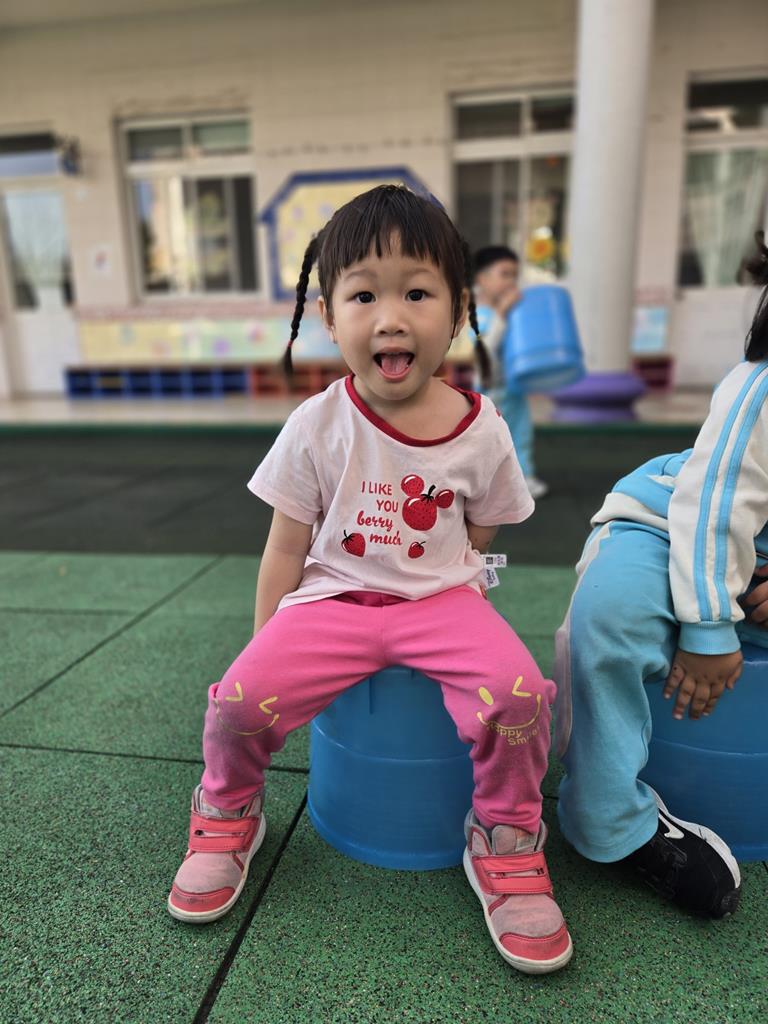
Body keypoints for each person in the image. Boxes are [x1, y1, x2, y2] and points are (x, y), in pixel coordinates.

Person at [167, 185, 572, 974]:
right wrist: (264, 645)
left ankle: (506, 835)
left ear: (458, 311)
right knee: (236, 702)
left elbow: (484, 524)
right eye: (364, 296)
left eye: (417, 293)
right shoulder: (317, 424)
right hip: (333, 601)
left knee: (520, 696)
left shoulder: (483, 427)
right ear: (328, 316)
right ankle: (227, 809)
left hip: (444, 602)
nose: (391, 318)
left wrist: (449, 572)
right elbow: (285, 547)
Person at [553, 232, 768, 918]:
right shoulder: (760, 390)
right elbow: (713, 509)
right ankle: (610, 821)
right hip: (667, 526)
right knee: (606, 621)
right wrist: (707, 628)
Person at [472, 245, 548, 500]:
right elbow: (483, 353)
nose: (511, 282)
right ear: (482, 278)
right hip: (485, 391)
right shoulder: (474, 315)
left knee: (520, 433)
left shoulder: (512, 314)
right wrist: (502, 314)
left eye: (514, 275)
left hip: (512, 388)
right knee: (486, 438)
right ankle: (484, 483)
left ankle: (523, 477)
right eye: (504, 274)